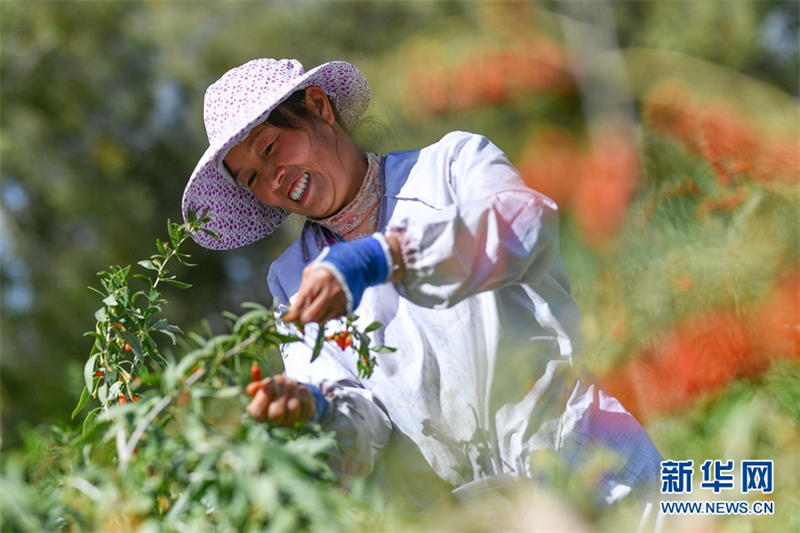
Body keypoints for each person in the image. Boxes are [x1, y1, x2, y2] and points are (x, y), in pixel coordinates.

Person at [181, 58, 663, 513]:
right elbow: (360, 428)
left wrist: (387, 255)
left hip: (591, 462)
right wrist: (314, 407)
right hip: (484, 512)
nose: (272, 179)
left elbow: (522, 227)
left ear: (319, 107)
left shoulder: (451, 166)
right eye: (252, 178)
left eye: (270, 148)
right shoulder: (292, 280)